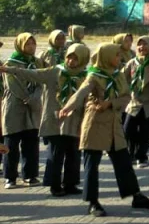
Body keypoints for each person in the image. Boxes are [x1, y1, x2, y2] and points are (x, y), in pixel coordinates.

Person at [59, 43, 149, 217]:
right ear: (106, 57)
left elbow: (125, 97)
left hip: (114, 124)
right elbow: (81, 93)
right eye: (116, 55)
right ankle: (93, 202)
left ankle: (136, 196)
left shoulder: (118, 75)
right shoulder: (94, 75)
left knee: (123, 162)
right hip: (95, 123)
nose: (119, 58)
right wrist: (67, 108)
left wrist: (110, 103)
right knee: (92, 165)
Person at [0, 42, 90, 196]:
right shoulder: (56, 71)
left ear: (82, 59)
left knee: (74, 154)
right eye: (69, 57)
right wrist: (9, 69)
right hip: (55, 119)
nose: (71, 61)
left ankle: (70, 184)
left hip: (75, 120)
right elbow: (33, 74)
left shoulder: (85, 76)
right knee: (56, 154)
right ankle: (54, 185)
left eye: (75, 59)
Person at [2, 33, 42, 188]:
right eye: (28, 44)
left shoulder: (36, 62)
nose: (31, 47)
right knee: (11, 143)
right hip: (15, 105)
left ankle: (30, 175)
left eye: (33, 44)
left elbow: (40, 81)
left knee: (31, 142)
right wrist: (27, 97)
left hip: (32, 106)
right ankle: (10, 177)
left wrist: (34, 98)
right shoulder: (10, 63)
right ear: (20, 45)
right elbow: (12, 85)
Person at [122, 36, 149, 168]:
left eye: (145, 44)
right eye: (140, 45)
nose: (142, 47)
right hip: (134, 103)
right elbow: (122, 79)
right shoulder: (132, 62)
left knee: (146, 133)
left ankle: (141, 156)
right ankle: (130, 153)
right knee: (127, 129)